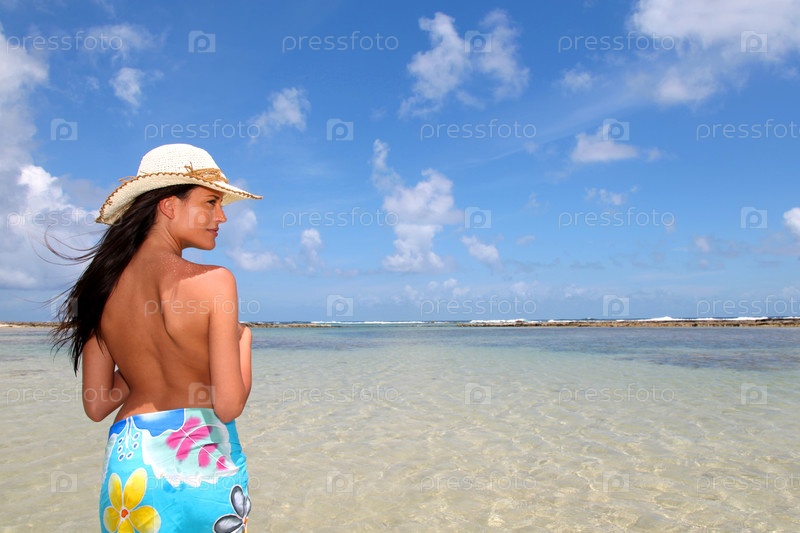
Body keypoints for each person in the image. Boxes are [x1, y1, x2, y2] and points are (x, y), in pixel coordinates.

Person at [51, 143, 262, 532]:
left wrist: (139, 364)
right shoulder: (215, 281)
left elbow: (97, 404)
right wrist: (243, 341)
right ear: (169, 206)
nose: (222, 216)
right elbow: (229, 404)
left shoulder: (100, 288)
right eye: (211, 202)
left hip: (130, 465)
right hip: (203, 458)